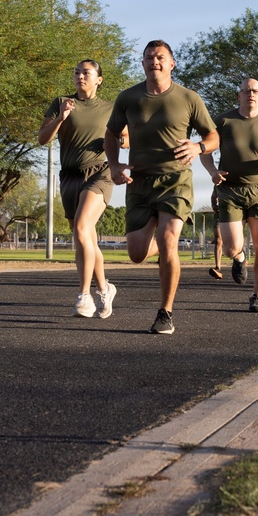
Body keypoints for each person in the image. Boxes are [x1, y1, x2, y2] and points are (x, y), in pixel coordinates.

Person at [104, 40, 219, 334]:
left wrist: (198, 147)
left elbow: (213, 136)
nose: (154, 61)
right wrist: (115, 165)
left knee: (169, 242)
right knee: (137, 253)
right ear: (142, 64)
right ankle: (160, 245)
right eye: (149, 57)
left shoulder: (188, 98)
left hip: (175, 181)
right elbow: (111, 133)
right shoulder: (128, 98)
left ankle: (165, 312)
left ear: (172, 63)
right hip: (139, 182)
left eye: (160, 57)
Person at [38, 59, 126, 319]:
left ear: (99, 79)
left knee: (81, 227)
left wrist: (115, 139)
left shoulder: (111, 108)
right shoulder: (61, 102)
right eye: (76, 73)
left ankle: (84, 296)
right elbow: (43, 138)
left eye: (86, 73)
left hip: (100, 172)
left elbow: (127, 138)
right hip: (69, 176)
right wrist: (61, 118)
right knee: (84, 238)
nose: (80, 77)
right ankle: (105, 288)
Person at [200, 79, 258, 313]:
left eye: (255, 91)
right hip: (230, 190)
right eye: (246, 91)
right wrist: (213, 172)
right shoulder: (223, 121)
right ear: (239, 96)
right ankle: (240, 258)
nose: (251, 94)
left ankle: (257, 295)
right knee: (231, 247)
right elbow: (204, 150)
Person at [208, 187, 224, 280]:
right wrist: (214, 204)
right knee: (218, 241)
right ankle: (218, 267)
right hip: (220, 214)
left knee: (233, 244)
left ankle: (240, 260)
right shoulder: (219, 184)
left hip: (233, 215)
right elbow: (213, 196)